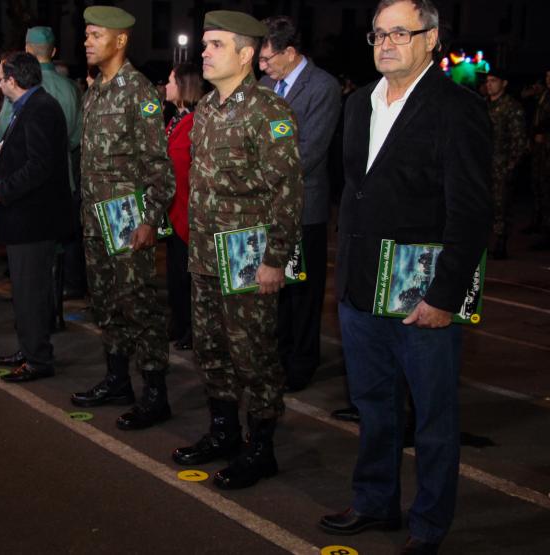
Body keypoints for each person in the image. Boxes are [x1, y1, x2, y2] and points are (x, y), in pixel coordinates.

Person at [317, 2, 491, 553]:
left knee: (433, 417)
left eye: (400, 32)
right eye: (378, 33)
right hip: (361, 288)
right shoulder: (356, 104)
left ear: (431, 38)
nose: (386, 43)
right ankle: (375, 502)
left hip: (423, 294)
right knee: (374, 406)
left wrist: (445, 296)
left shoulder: (455, 108)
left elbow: (470, 211)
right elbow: (355, 193)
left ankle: (429, 525)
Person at [171, 11, 302, 492]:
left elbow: (287, 191)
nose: (203, 52)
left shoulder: (269, 111)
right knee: (211, 350)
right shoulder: (205, 109)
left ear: (246, 54)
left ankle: (260, 447)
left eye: (215, 45)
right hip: (204, 254)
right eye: (204, 45)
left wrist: (275, 258)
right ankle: (223, 432)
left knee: (254, 355)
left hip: (248, 256)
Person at [69, 6, 175, 431]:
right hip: (95, 218)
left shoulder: (139, 91)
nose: (87, 41)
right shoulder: (95, 91)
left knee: (140, 305)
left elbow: (158, 165)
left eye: (95, 35)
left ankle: (155, 393)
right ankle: (117, 380)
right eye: (87, 35)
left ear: (120, 40)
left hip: (128, 219)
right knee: (106, 303)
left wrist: (150, 220)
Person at [258, 15, 342, 392]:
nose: (262, 66)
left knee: (303, 293)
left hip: (304, 207)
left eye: (267, 58)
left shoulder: (322, 87)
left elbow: (309, 152)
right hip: (268, 206)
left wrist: (257, 172)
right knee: (275, 289)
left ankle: (302, 362)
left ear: (290, 53)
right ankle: (276, 354)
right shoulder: (265, 85)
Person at [0, 51, 72, 382]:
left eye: (0, 78)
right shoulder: (30, 107)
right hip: (25, 218)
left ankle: (37, 359)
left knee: (31, 292)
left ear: (13, 80)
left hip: (34, 220)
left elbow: (38, 166)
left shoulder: (40, 110)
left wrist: (1, 190)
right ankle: (29, 348)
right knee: (23, 291)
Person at [0, 26, 85, 331]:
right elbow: (76, 137)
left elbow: (2, 133)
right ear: (54, 51)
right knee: (52, 258)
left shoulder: (26, 92)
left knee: (31, 270)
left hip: (31, 194)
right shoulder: (70, 88)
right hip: (64, 182)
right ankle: (54, 314)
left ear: (27, 51)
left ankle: (40, 328)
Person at [163, 62, 203, 351]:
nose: (165, 86)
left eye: (170, 82)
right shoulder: (175, 119)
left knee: (188, 277)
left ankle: (191, 328)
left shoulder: (194, 122)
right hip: (173, 208)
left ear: (183, 87)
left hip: (188, 210)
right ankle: (178, 322)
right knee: (175, 274)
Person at [482, 67, 528, 259]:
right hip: (482, 165)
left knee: (501, 205)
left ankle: (500, 243)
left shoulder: (512, 107)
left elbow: (519, 141)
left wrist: (511, 166)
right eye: (488, 81)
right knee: (481, 205)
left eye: (494, 81)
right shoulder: (482, 105)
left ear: (504, 83)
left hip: (501, 165)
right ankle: (482, 241)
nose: (489, 84)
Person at [529, 69, 550, 249]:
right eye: (547, 76)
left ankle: (548, 232)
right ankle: (539, 223)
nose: (549, 80)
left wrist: (543, 131)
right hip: (540, 151)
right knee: (538, 185)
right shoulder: (544, 95)